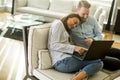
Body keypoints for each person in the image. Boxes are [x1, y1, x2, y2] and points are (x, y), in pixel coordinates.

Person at [48, 13, 103, 80]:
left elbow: (63, 44)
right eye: (75, 22)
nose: (74, 26)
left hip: (66, 60)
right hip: (61, 62)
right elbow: (53, 45)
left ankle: (80, 76)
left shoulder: (64, 28)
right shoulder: (58, 24)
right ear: (69, 17)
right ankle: (76, 79)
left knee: (97, 60)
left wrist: (78, 49)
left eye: (76, 25)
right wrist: (74, 48)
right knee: (98, 63)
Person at [70, 0, 120, 71]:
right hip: (86, 53)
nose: (86, 16)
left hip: (98, 47)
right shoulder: (71, 23)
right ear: (77, 10)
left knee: (118, 52)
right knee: (116, 63)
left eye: (87, 14)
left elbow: (99, 35)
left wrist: (93, 40)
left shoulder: (92, 19)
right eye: (83, 14)